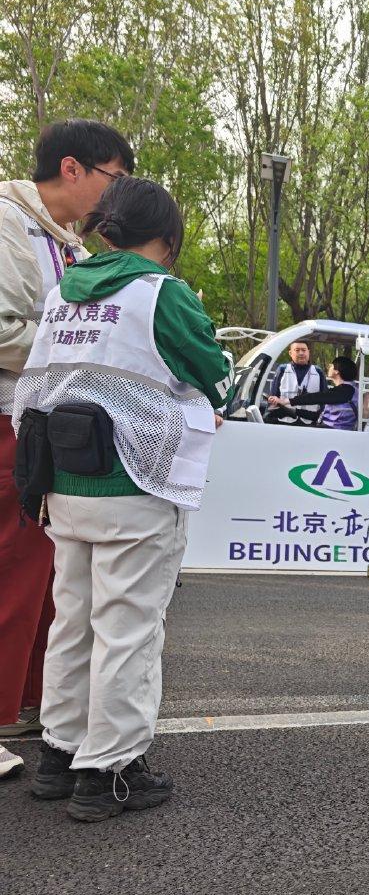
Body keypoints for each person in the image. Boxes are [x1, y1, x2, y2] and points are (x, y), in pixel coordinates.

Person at [14, 176, 229, 820]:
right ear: (165, 237)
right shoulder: (161, 293)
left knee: (73, 623)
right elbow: (210, 368)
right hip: (136, 480)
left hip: (64, 480)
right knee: (128, 628)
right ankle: (109, 771)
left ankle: (58, 752)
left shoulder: (63, 292)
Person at [0, 119, 132, 753]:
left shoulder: (77, 250)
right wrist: (72, 352)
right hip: (9, 417)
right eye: (115, 180)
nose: (115, 198)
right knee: (11, 568)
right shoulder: (6, 222)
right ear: (73, 169)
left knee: (49, 577)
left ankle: (27, 702)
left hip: (52, 424)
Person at [269, 355, 360, 429]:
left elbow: (316, 397)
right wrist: (291, 410)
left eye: (331, 365)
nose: (329, 367)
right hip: (328, 430)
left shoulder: (346, 391)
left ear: (337, 371)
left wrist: (285, 401)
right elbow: (318, 416)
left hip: (334, 433)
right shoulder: (345, 391)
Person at [263, 341, 323, 426]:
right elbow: (274, 395)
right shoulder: (282, 369)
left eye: (304, 350)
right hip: (285, 421)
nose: (301, 353)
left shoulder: (318, 371)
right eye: (297, 350)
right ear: (290, 353)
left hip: (309, 421)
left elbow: (324, 400)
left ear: (308, 352)